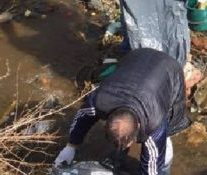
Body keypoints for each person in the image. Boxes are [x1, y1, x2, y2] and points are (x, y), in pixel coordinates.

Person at [54, 48, 190, 174]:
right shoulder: (100, 101)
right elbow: (82, 117)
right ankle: (116, 159)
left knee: (167, 133)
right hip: (137, 57)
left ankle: (165, 170)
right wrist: (71, 146)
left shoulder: (155, 125)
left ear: (138, 126)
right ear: (108, 117)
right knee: (120, 139)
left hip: (169, 70)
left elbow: (151, 171)